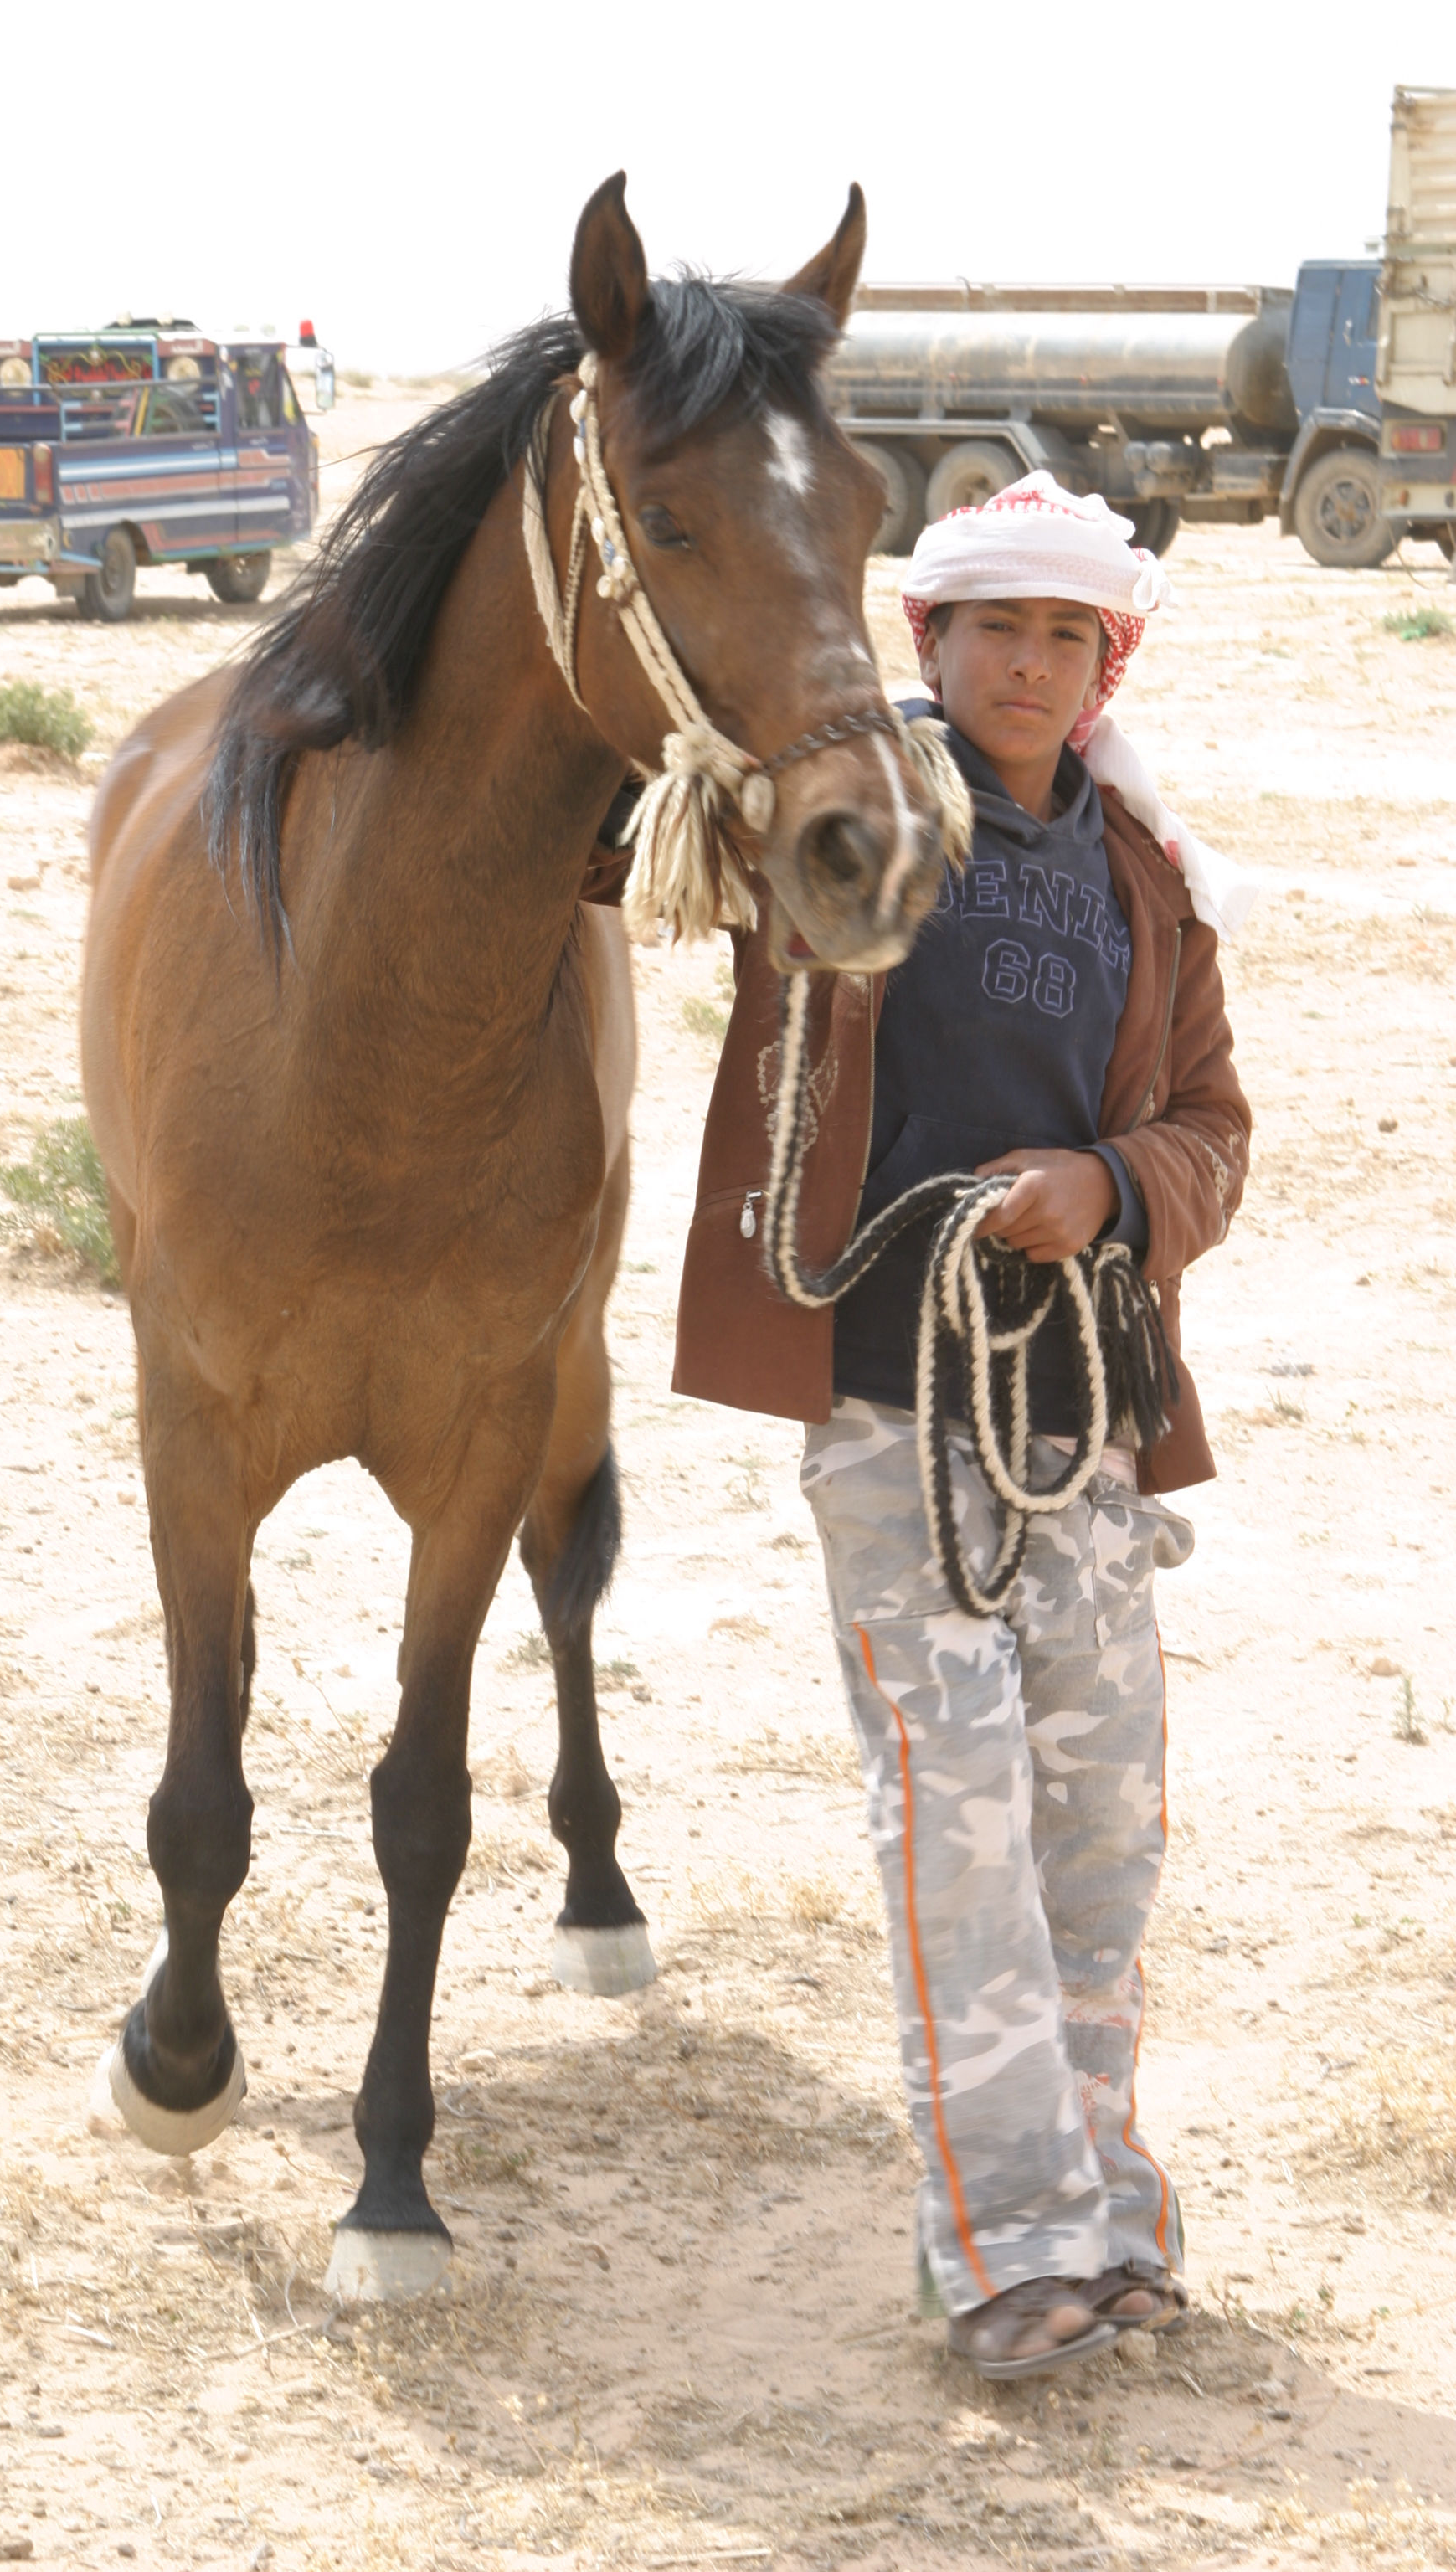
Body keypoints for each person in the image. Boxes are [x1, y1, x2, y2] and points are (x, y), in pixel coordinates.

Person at [672, 474, 1253, 2380]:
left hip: (1084, 1412)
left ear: (1105, 663)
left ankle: (1112, 2220)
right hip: (887, 1400)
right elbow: (655, 832)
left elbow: (1212, 1129)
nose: (1030, 663)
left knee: (1100, 1837)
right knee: (957, 1825)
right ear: (929, 641)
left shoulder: (1146, 871)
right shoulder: (853, 818)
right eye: (996, 627)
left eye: (1067, 635)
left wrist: (1112, 1184)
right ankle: (1009, 2254)